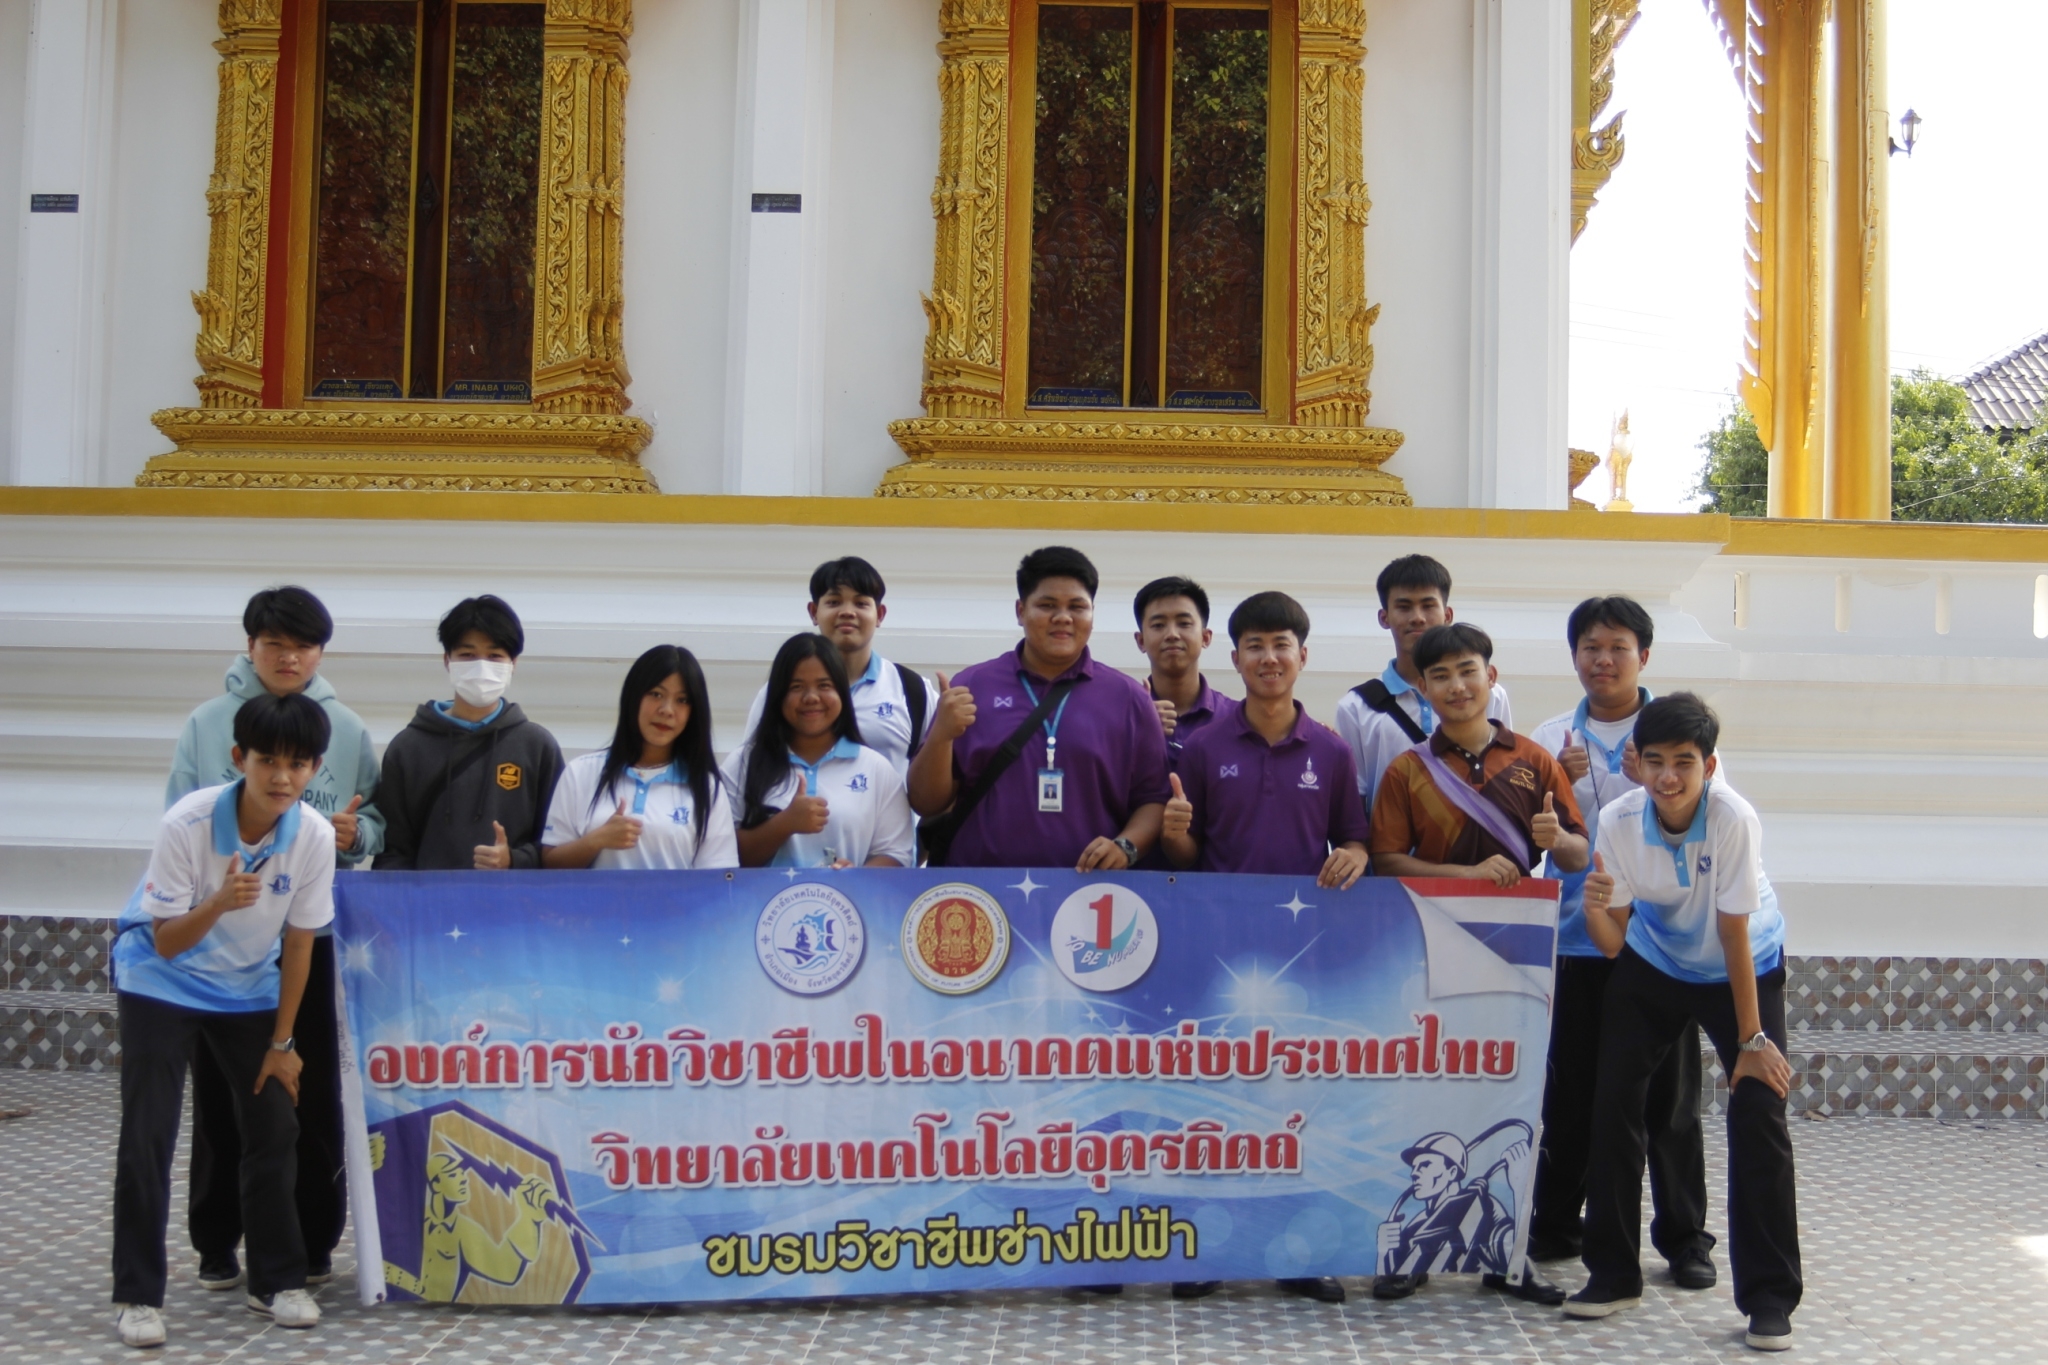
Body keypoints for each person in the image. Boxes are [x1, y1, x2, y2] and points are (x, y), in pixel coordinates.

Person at [1569, 693, 1800, 1352]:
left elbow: (1731, 930)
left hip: (1743, 967)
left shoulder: (1732, 816)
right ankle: (1611, 1273)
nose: (1669, 777)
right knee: (1613, 1102)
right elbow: (1612, 942)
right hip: (1656, 961)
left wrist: (1752, 1042)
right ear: (1637, 763)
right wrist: (1593, 907)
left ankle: (1769, 1298)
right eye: (1656, 761)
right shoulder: (1616, 820)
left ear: (1709, 765)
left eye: (1685, 763)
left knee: (1758, 1110)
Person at [164, 587, 375, 1295]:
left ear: (321, 652)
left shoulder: (345, 728)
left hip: (304, 938)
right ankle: (217, 1240)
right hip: (215, 946)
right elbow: (178, 820)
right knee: (225, 1099)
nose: (290, 657)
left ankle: (312, 1239)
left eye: (304, 645)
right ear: (249, 645)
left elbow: (371, 819)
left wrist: (356, 834)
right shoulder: (205, 723)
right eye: (275, 643)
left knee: (306, 1095)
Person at [1158, 590, 1367, 1305]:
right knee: (1214, 1103)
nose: (1269, 657)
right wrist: (1178, 825)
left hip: (1304, 962)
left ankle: (1298, 1252)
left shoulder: (1332, 751)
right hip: (1219, 962)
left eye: (1282, 644)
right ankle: (1206, 1246)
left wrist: (1360, 855)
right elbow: (1186, 855)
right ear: (1235, 655)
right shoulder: (1206, 746)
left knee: (1297, 1107)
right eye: (1255, 645)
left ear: (1302, 656)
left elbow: (1355, 835)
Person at [1368, 621, 1585, 1306]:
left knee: (1514, 1103)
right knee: (1428, 1091)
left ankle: (1508, 1251)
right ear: (1423, 688)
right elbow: (1384, 859)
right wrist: (1454, 871)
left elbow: (1579, 852)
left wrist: (1558, 840)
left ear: (1492, 676)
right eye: (1440, 676)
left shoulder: (1534, 760)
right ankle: (1411, 1250)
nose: (1457, 685)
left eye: (1468, 670)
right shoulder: (1407, 769)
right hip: (1428, 953)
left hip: (1518, 960)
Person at [110, 693, 336, 1347]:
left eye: (298, 764)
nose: (281, 777)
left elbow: (299, 944)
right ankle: (136, 1296)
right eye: (268, 760)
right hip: (160, 978)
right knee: (149, 1130)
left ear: (314, 768)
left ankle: (276, 1280)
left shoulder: (314, 836)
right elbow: (169, 940)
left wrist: (283, 1043)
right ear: (240, 758)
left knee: (274, 1120)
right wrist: (219, 901)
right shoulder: (188, 821)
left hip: (246, 988)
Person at [1526, 598, 1714, 1286]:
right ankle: (1554, 1222)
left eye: (1618, 647)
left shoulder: (1677, 730)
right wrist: (1568, 786)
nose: (1603, 660)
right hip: (1577, 939)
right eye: (1590, 647)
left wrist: (1648, 780)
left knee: (1667, 1098)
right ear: (1574, 655)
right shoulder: (1550, 736)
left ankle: (1685, 1238)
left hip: (1661, 945)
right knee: (1571, 1091)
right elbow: (1535, 837)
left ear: (1645, 656)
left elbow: (1702, 819)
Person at [909, 545, 1169, 874]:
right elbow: (925, 801)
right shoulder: (973, 685)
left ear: (1092, 613)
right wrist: (942, 736)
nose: (1063, 617)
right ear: (1020, 610)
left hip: (1088, 895)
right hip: (981, 892)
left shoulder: (1128, 697)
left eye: (1077, 607)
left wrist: (1126, 847)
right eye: (1047, 605)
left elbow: (1154, 797)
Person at [377, 595, 562, 871]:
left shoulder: (537, 747)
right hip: (431, 909)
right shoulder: (407, 748)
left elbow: (556, 847)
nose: (481, 666)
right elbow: (393, 851)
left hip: (511, 908)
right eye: (467, 655)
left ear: (513, 663)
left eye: (495, 655)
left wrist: (514, 859)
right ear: (447, 660)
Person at [1335, 555, 1512, 812]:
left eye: (1428, 605)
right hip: (1392, 852)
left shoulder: (1490, 695)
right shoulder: (1356, 708)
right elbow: (1353, 800)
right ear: (1384, 617)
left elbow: (1502, 774)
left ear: (1447, 614)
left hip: (1479, 852)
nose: (1417, 618)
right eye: (1404, 607)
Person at [723, 634, 916, 868]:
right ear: (777, 695)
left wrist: (857, 877)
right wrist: (784, 824)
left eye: (824, 685)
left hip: (849, 905)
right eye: (796, 687)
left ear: (842, 694)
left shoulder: (876, 769)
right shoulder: (743, 764)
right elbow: (720, 857)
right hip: (756, 906)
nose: (811, 697)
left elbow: (897, 855)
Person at [541, 645, 738, 870]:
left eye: (682, 700)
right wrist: (596, 841)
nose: (667, 710)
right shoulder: (581, 772)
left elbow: (720, 880)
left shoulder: (706, 786)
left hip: (676, 907)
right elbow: (550, 865)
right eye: (656, 694)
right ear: (633, 696)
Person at [741, 556, 939, 775]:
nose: (847, 612)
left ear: (880, 615)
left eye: (861, 603)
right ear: (814, 612)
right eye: (834, 602)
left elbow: (937, 776)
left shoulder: (913, 691)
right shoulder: (781, 690)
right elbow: (750, 767)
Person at [1132, 575, 1238, 759]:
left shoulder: (1236, 718)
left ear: (1206, 637)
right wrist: (1135, 732)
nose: (1172, 634)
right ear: (1141, 641)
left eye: (1184, 624)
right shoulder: (1122, 717)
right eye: (1158, 625)